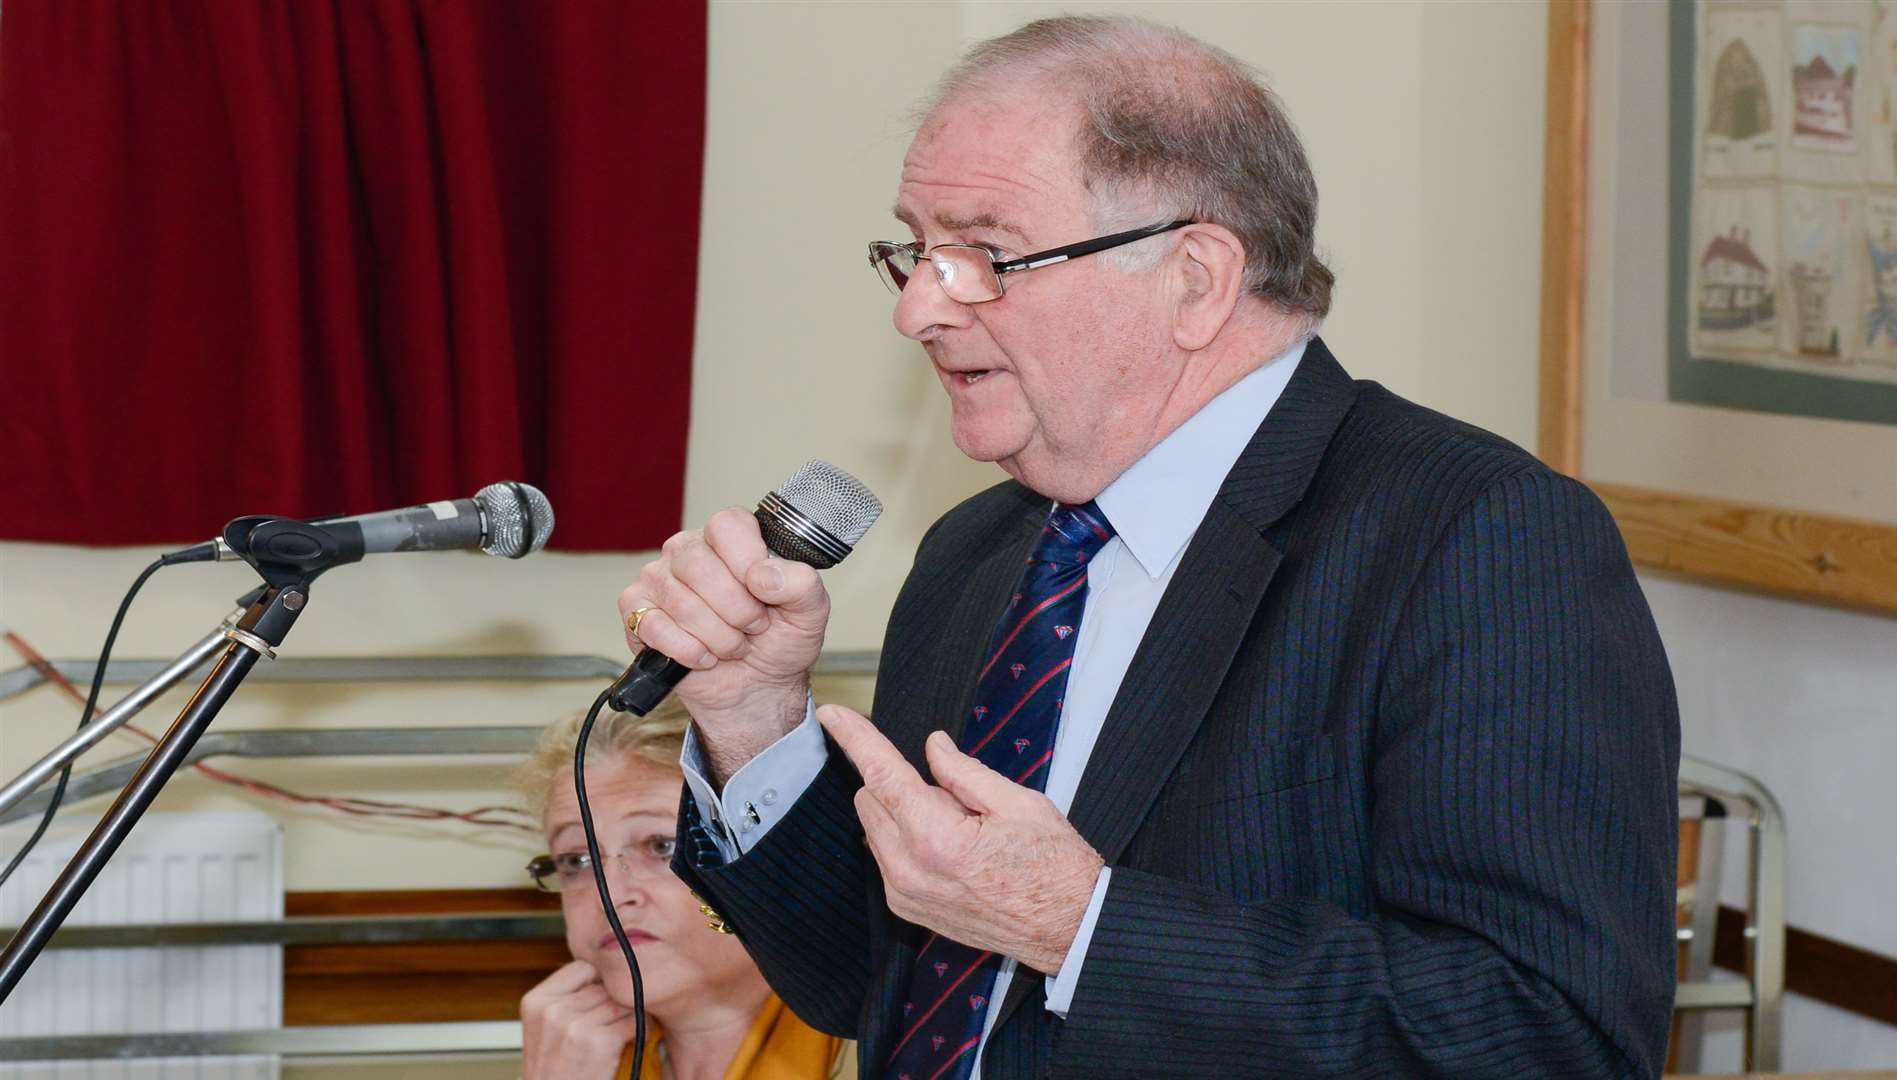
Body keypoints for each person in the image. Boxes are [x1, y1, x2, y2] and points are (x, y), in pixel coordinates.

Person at [621, 15, 1679, 1079]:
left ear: (1196, 277)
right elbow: (872, 983)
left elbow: (1549, 1037)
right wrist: (756, 726)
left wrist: (1081, 926)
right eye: (917, 249)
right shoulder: (976, 553)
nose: (916, 310)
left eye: (983, 255)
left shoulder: (1474, 540)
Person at [509, 699, 855, 1080]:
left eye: (661, 846)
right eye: (576, 861)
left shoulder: (895, 1046)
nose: (609, 896)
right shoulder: (569, 1064)